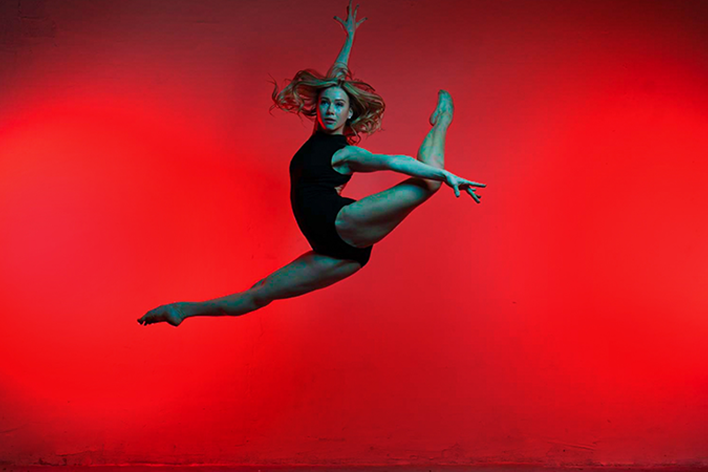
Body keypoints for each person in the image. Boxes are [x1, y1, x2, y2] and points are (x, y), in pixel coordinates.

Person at [137, 0, 486, 327]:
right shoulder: (321, 132)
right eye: (326, 104)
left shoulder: (345, 153)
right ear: (318, 107)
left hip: (345, 224)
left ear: (350, 113)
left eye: (338, 106)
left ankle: (441, 121)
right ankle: (182, 310)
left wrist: (446, 173)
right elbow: (336, 77)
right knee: (259, 294)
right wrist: (349, 38)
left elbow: (393, 161)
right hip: (334, 254)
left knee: (428, 184)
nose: (331, 110)